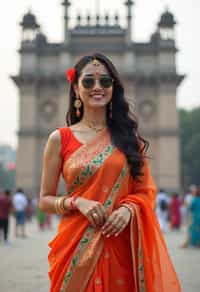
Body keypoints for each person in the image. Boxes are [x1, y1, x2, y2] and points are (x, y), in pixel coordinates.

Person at [39, 53, 181, 291]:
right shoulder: (59, 139)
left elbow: (145, 192)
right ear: (75, 88)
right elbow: (44, 200)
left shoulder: (128, 140)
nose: (97, 87)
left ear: (113, 87)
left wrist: (128, 209)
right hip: (75, 248)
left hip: (120, 245)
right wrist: (77, 202)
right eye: (88, 81)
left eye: (105, 81)